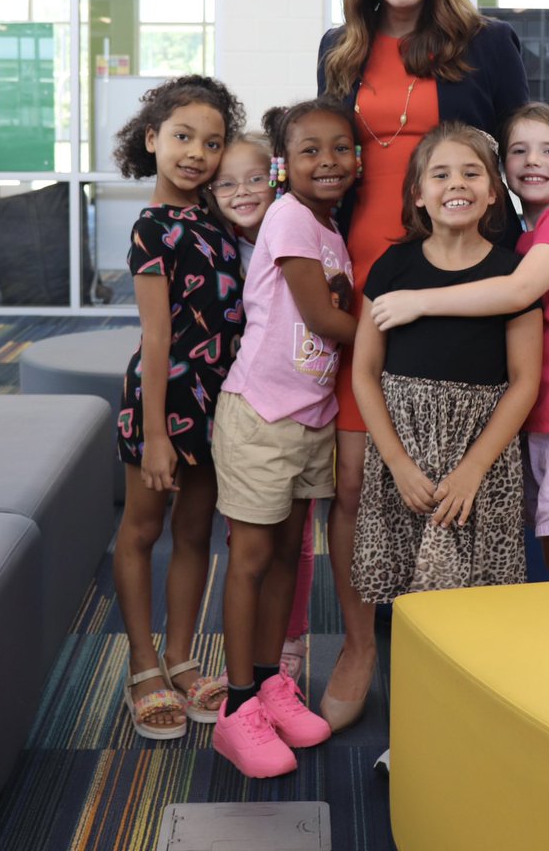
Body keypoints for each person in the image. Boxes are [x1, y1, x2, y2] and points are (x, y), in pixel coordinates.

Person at [317, 0, 528, 729]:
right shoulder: (340, 47)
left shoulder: (489, 43)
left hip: (458, 278)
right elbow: (321, 160)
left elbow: (523, 156)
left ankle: (452, 649)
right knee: (354, 477)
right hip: (361, 280)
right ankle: (360, 645)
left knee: (457, 462)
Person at [371, 102, 549, 582]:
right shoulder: (527, 242)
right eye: (519, 150)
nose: (533, 159)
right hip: (548, 428)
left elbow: (517, 292)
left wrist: (419, 301)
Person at [210, 98, 357, 779]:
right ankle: (238, 707)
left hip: (311, 420)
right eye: (309, 150)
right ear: (283, 165)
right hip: (262, 417)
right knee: (251, 559)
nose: (327, 161)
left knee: (285, 562)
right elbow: (323, 319)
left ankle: (271, 683)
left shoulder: (331, 229)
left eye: (341, 148)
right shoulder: (291, 216)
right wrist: (409, 331)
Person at [352, 122, 542, 597]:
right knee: (407, 593)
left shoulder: (513, 274)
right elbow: (364, 372)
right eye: (440, 175)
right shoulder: (392, 267)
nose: (457, 183)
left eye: (471, 173)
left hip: (480, 456)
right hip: (405, 452)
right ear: (418, 195)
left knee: (476, 599)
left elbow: (524, 381)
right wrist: (397, 463)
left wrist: (473, 467)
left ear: (493, 193)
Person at [113, 74, 246, 739]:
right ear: (152, 139)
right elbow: (157, 337)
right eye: (183, 137)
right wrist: (157, 435)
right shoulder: (151, 228)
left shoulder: (221, 220)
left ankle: (182, 658)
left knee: (196, 533)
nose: (197, 153)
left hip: (218, 399)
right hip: (161, 400)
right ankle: (142, 665)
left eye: (212, 142)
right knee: (143, 530)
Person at [208, 131, 316, 684]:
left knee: (296, 543)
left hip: (306, 403)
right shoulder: (221, 250)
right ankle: (244, 664)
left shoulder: (298, 227)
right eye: (226, 184)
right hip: (250, 405)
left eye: (255, 178)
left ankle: (288, 637)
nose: (243, 192)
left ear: (276, 177)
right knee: (249, 543)